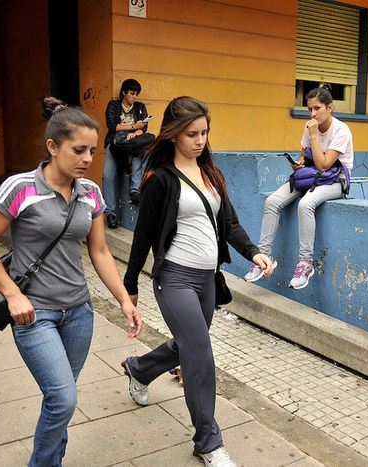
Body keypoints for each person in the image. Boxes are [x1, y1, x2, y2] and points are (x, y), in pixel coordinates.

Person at [0, 97, 142, 467]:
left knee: (60, 399)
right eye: (78, 150)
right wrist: (12, 294)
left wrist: (124, 299)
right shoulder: (19, 188)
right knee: (63, 399)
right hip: (34, 314)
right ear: (52, 146)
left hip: (79, 312)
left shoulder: (90, 193)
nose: (87, 159)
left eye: (93, 151)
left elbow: (99, 252)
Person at [121, 96, 274, 467]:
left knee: (188, 345)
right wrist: (129, 287)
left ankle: (140, 369)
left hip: (207, 280)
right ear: (173, 135)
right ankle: (208, 441)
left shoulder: (211, 174)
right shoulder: (160, 180)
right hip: (174, 278)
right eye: (192, 133)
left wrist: (253, 251)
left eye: (204, 132)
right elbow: (143, 235)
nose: (200, 140)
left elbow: (230, 224)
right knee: (201, 355)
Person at [244, 85, 353, 289]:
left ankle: (305, 264)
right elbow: (305, 157)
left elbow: (323, 164)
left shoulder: (341, 130)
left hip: (335, 180)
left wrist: (313, 135)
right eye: (309, 109)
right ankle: (263, 257)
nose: (312, 113)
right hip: (311, 177)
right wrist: (299, 163)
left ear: (330, 107)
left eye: (317, 108)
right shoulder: (309, 127)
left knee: (305, 205)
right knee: (272, 202)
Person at [102, 78, 150, 229]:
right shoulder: (114, 105)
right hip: (115, 143)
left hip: (132, 143)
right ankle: (110, 213)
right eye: (132, 93)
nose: (135, 97)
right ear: (124, 92)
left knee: (140, 152)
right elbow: (112, 125)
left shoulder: (140, 107)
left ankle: (134, 191)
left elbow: (144, 126)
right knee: (108, 175)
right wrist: (133, 126)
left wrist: (135, 132)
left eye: (136, 94)